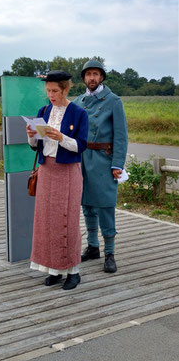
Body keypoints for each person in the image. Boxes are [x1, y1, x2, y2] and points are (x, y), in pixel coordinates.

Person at [26, 70, 88, 290]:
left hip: (68, 171)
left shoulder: (79, 113)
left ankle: (73, 271)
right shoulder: (44, 111)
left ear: (65, 89)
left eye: (54, 91)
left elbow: (80, 146)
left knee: (67, 222)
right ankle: (54, 269)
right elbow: (36, 147)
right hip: (46, 171)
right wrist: (32, 135)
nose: (51, 95)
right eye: (48, 91)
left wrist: (61, 137)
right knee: (47, 222)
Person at [74, 59, 128, 273]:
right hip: (82, 159)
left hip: (104, 160)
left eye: (96, 74)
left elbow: (121, 137)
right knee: (87, 205)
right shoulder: (78, 101)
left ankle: (110, 253)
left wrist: (117, 164)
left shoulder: (113, 101)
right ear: (84, 78)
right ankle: (93, 247)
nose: (92, 78)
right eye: (88, 74)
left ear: (102, 77)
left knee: (105, 206)